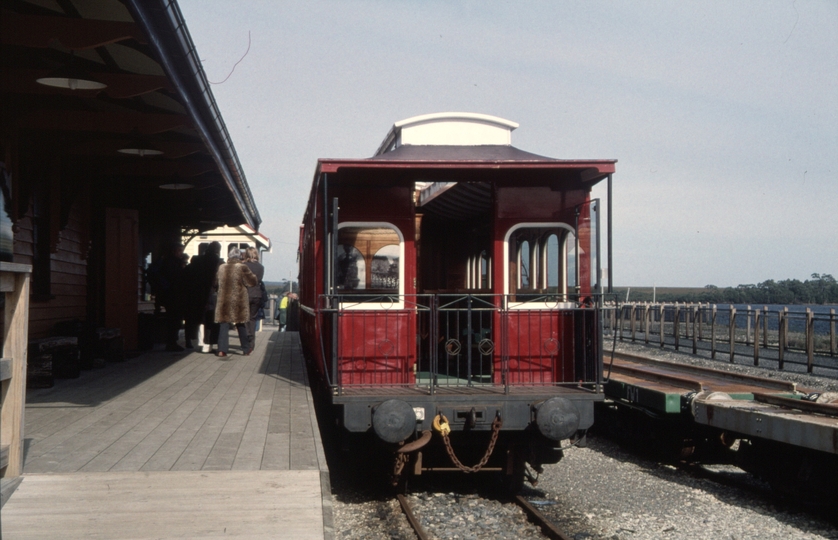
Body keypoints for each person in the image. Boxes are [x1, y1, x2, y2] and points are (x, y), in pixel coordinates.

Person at [214, 246, 258, 357]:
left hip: (223, 300)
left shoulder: (222, 267)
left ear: (229, 256)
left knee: (223, 324)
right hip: (238, 300)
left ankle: (222, 350)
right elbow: (252, 282)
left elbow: (215, 283)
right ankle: (246, 349)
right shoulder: (242, 267)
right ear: (239, 256)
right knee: (241, 324)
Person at [184, 242, 222, 351]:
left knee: (193, 318)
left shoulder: (197, 261)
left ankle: (191, 340)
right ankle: (207, 343)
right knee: (209, 319)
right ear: (217, 250)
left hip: (195, 293)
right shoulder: (217, 262)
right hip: (210, 292)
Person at [148, 243, 186, 351]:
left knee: (174, 319)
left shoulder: (169, 262)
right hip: (172, 295)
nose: (181, 253)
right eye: (179, 251)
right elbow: (174, 278)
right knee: (174, 319)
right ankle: (171, 342)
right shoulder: (171, 263)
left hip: (170, 294)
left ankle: (172, 341)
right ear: (174, 251)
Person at [243, 247, 265, 354]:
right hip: (257, 295)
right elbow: (259, 280)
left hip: (246, 294)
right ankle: (252, 344)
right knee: (253, 319)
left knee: (245, 318)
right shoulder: (261, 267)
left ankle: (247, 341)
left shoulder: (244, 266)